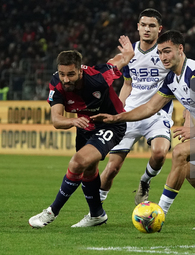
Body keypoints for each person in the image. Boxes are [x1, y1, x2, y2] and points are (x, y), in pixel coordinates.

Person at [91, 30, 195, 230]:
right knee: (193, 175)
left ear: (180, 49)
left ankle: (159, 213)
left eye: (167, 51)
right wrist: (116, 117)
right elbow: (149, 108)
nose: (163, 57)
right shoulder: (172, 79)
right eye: (160, 53)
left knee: (180, 152)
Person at [28, 35, 135, 228]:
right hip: (84, 125)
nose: (66, 79)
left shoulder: (98, 77)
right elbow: (56, 120)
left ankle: (51, 212)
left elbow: (118, 61)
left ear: (80, 71)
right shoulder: (57, 84)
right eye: (62, 74)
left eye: (70, 74)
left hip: (111, 124)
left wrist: (128, 53)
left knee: (77, 162)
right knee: (88, 170)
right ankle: (97, 215)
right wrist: (73, 121)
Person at [99, 9, 173, 206]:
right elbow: (127, 84)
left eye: (152, 26)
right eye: (144, 25)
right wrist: (118, 111)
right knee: (112, 167)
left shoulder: (167, 53)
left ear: (160, 29)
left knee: (159, 153)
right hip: (130, 113)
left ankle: (145, 181)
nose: (147, 29)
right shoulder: (129, 53)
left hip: (158, 113)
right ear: (138, 27)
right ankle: (95, 211)